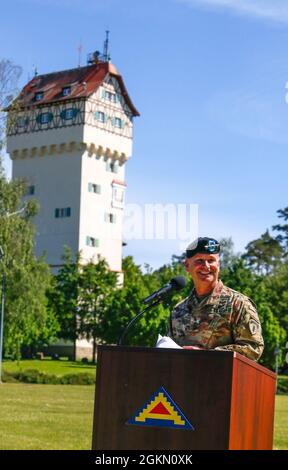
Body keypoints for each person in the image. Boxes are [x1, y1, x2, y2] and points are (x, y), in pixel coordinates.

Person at [169, 237, 264, 361]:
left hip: (223, 379)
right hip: (184, 379)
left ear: (218, 265)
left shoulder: (238, 304)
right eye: (199, 261)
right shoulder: (178, 310)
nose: (206, 266)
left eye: (211, 260)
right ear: (187, 265)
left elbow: (253, 348)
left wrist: (208, 355)